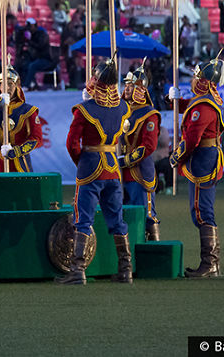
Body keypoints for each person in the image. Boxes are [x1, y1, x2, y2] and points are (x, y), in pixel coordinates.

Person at [61, 58, 132, 285]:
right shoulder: (123, 106)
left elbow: (72, 143)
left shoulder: (84, 110)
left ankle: (78, 269)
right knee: (117, 219)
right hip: (112, 165)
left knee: (83, 219)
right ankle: (126, 268)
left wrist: (81, 162)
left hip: (90, 165)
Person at [168, 53, 224, 278]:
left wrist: (176, 157)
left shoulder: (203, 106)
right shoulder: (203, 101)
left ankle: (210, 263)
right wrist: (174, 102)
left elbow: (192, 139)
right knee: (201, 210)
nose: (193, 80)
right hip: (205, 156)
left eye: (196, 77)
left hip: (202, 158)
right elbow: (191, 107)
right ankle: (211, 262)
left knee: (202, 211)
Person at [119, 61, 162, 241]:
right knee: (122, 216)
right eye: (126, 85)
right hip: (120, 173)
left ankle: (153, 254)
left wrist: (126, 161)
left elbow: (149, 146)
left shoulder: (149, 114)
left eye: (131, 85)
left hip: (139, 172)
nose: (127, 88)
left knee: (145, 215)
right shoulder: (121, 110)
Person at [0, 64, 42, 173]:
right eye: (3, 84)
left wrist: (17, 151)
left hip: (20, 161)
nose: (7, 88)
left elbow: (37, 138)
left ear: (17, 86)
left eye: (10, 84)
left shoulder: (28, 111)